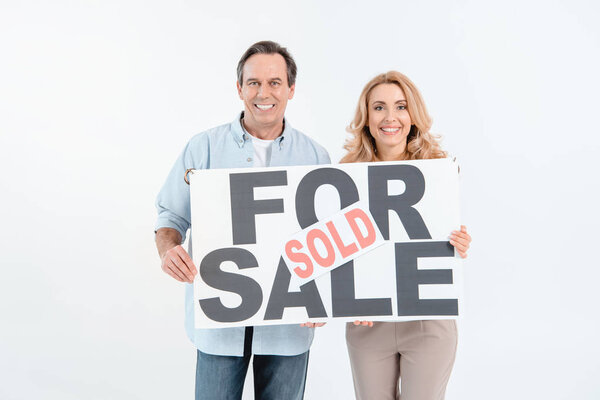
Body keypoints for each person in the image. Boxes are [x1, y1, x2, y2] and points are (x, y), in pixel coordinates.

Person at [154, 41, 329, 400]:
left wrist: (329, 295)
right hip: (219, 322)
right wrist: (168, 249)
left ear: (291, 89)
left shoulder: (315, 156)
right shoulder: (202, 148)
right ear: (239, 89)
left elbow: (332, 236)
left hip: (288, 324)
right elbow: (170, 215)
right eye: (253, 83)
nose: (263, 93)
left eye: (275, 82)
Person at [340, 71, 472, 400]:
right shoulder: (344, 175)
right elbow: (337, 249)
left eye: (400, 106)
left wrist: (459, 243)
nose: (391, 117)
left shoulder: (438, 169)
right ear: (366, 118)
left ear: (412, 115)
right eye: (379, 107)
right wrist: (345, 298)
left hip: (428, 320)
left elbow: (443, 240)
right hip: (368, 322)